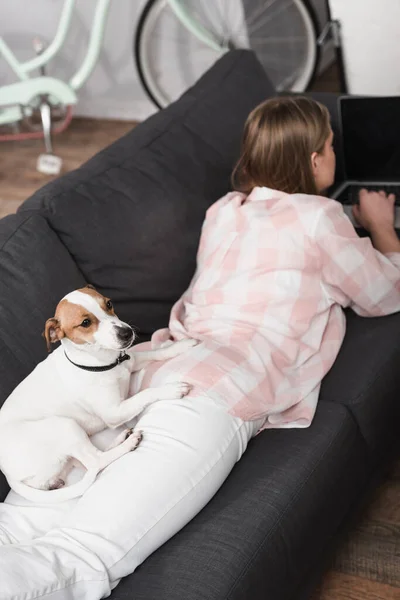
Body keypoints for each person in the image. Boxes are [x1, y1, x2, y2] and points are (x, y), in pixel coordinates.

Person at [1, 96, 400, 600]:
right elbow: (384, 295)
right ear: (316, 161)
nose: (333, 154)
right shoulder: (321, 218)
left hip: (140, 373)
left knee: (17, 523)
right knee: (79, 558)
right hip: (214, 390)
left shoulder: (224, 211)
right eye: (330, 146)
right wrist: (381, 226)